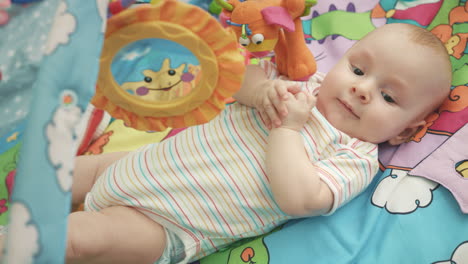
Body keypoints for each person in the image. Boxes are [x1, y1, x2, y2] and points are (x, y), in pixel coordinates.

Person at [66, 23, 452, 264]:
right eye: (357, 69)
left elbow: (300, 198)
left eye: (389, 97)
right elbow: (231, 81)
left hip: (165, 224)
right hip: (137, 164)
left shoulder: (356, 157)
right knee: (69, 171)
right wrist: (262, 90)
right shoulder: (297, 83)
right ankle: (34, 189)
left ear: (403, 132)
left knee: (79, 239)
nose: (362, 89)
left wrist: (287, 130)